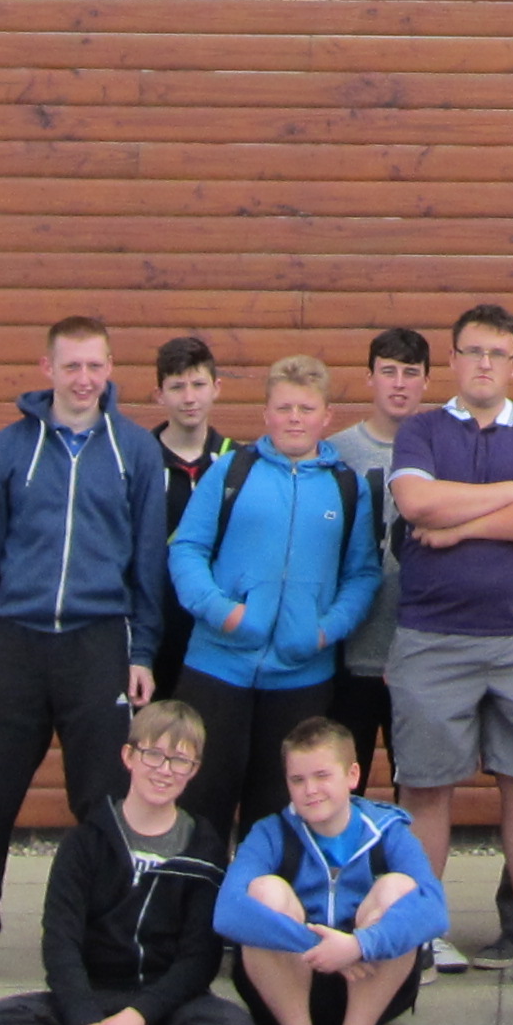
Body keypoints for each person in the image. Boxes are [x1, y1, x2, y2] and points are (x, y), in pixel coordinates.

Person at [0, 317, 167, 991]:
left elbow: (146, 563)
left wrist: (140, 654)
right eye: (71, 366)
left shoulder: (133, 451)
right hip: (14, 645)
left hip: (98, 642)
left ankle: (106, 939)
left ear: (112, 369)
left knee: (105, 800)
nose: (84, 380)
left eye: (96, 366)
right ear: (48, 369)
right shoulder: (9, 448)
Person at [386, 303, 513, 970]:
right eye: (472, 352)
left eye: (497, 354)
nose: (484, 365)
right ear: (453, 358)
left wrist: (461, 527)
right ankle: (423, 929)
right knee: (425, 786)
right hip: (432, 637)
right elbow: (416, 504)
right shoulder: (419, 430)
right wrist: (507, 489)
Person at [0, 697, 257, 1025]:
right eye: (153, 754)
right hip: (90, 999)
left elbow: (199, 960)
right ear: (129, 756)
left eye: (179, 760)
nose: (164, 769)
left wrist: (135, 1019)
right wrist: (86, 1023)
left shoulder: (204, 849)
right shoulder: (86, 842)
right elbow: (60, 943)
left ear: (193, 771)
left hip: (161, 1007)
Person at [168, 354, 380, 843]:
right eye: (284, 408)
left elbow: (363, 575)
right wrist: (225, 614)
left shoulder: (346, 488)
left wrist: (323, 631)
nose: (294, 419)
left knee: (282, 816)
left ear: (326, 417)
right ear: (266, 413)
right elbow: (187, 551)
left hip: (302, 677)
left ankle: (268, 916)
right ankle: (195, 913)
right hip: (216, 669)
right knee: (201, 805)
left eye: (306, 409)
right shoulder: (231, 472)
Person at [216, 717, 449, 1025]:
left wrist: (359, 945)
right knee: (264, 891)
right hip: (288, 983)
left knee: (399, 889)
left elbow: (434, 908)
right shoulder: (271, 833)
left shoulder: (388, 830)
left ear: (353, 775)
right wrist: (318, 946)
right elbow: (228, 911)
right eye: (298, 780)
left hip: (369, 984)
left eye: (322, 776)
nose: (310, 790)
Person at [325, 327, 428, 796]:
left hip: (419, 652)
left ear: (426, 381)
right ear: (369, 378)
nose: (400, 383)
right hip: (350, 650)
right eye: (389, 372)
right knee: (345, 783)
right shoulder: (337, 454)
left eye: (411, 373)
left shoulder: (441, 450)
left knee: (419, 786)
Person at [145, 335, 233, 703]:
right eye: (177, 387)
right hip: (150, 634)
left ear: (216, 388)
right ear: (159, 394)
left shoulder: (238, 464)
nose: (189, 397)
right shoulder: (136, 461)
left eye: (198, 384)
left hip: (215, 638)